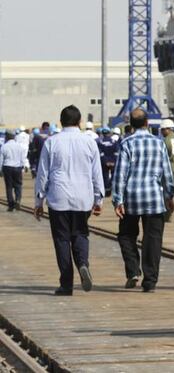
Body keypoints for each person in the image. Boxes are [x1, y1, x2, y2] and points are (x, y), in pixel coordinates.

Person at [34, 105, 104, 295]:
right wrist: (99, 199)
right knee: (80, 234)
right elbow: (97, 173)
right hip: (83, 198)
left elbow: (42, 174)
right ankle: (82, 263)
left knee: (62, 239)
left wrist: (39, 201)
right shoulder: (89, 142)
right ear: (79, 122)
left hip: (59, 197)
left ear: (61, 121)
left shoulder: (51, 142)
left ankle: (66, 284)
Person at [111, 108, 174, 292]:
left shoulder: (126, 143)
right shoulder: (159, 143)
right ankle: (150, 281)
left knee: (125, 235)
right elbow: (166, 172)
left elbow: (120, 174)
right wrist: (169, 196)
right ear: (147, 123)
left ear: (131, 124)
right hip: (154, 198)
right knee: (153, 239)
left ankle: (133, 271)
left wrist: (117, 200)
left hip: (131, 198)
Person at [0, 131, 26, 211]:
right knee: (18, 185)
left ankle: (11, 205)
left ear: (7, 137)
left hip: (7, 167)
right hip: (17, 167)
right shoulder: (19, 146)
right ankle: (18, 200)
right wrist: (23, 167)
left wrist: (0, 170)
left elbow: (1, 160)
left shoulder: (4, 146)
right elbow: (22, 158)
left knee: (9, 186)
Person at [97, 127, 119, 197]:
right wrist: (113, 162)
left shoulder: (100, 142)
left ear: (102, 133)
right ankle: (111, 189)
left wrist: (106, 161)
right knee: (113, 176)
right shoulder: (113, 141)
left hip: (104, 163)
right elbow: (116, 153)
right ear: (109, 133)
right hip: (113, 162)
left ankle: (106, 190)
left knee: (105, 176)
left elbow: (101, 153)